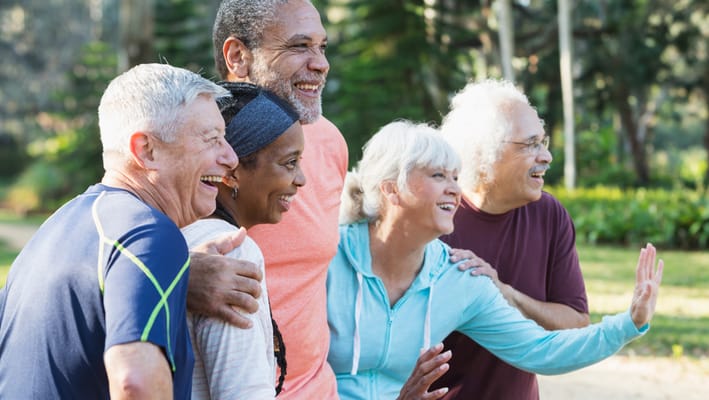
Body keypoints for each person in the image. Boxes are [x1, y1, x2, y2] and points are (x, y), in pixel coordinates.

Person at [326, 120, 664, 400]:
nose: (454, 190)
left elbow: (541, 349)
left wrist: (628, 323)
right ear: (391, 189)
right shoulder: (327, 257)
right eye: (438, 176)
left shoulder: (458, 277)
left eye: (455, 177)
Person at [0, 63, 238, 399]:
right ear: (146, 150)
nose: (230, 157)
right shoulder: (149, 234)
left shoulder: (53, 230)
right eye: (212, 139)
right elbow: (134, 383)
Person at [188, 1, 349, 397]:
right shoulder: (186, 147)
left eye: (322, 47)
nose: (320, 64)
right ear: (238, 56)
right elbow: (104, 247)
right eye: (299, 47)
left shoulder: (329, 142)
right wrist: (177, 277)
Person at [429, 79, 590, 399]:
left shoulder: (548, 214)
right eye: (530, 144)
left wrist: (507, 295)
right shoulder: (432, 218)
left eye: (543, 143)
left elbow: (575, 326)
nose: (545, 156)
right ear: (483, 153)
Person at [182, 82, 305, 399]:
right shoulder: (230, 254)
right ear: (232, 171)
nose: (301, 179)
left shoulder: (170, 242)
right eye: (290, 163)